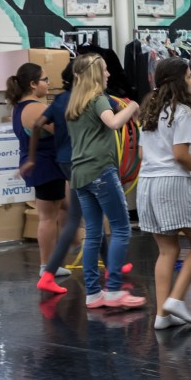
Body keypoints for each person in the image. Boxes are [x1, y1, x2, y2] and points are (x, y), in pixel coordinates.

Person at [26, 61, 131, 296]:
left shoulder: (63, 100)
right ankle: (53, 272)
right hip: (87, 163)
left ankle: (104, 273)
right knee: (86, 220)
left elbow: (37, 124)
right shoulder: (91, 98)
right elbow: (114, 118)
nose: (108, 73)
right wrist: (133, 106)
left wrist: (31, 157)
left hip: (68, 162)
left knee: (90, 220)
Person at [137, 58, 191, 330]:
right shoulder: (183, 111)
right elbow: (180, 155)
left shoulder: (149, 109)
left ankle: (162, 315)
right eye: (188, 76)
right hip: (172, 184)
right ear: (178, 80)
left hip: (147, 184)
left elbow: (143, 153)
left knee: (167, 251)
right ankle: (176, 299)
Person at [66, 55, 145, 310]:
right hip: (101, 171)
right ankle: (113, 291)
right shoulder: (99, 100)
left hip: (80, 175)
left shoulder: (75, 105)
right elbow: (112, 123)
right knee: (121, 228)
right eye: (105, 69)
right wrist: (132, 107)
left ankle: (93, 293)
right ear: (95, 74)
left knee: (93, 233)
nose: (109, 73)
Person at [8, 62, 67, 280]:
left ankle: (58, 257)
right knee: (47, 217)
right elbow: (63, 131)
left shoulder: (18, 107)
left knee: (68, 208)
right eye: (45, 80)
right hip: (45, 166)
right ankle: (47, 266)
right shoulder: (35, 108)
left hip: (44, 165)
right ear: (33, 84)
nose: (48, 84)